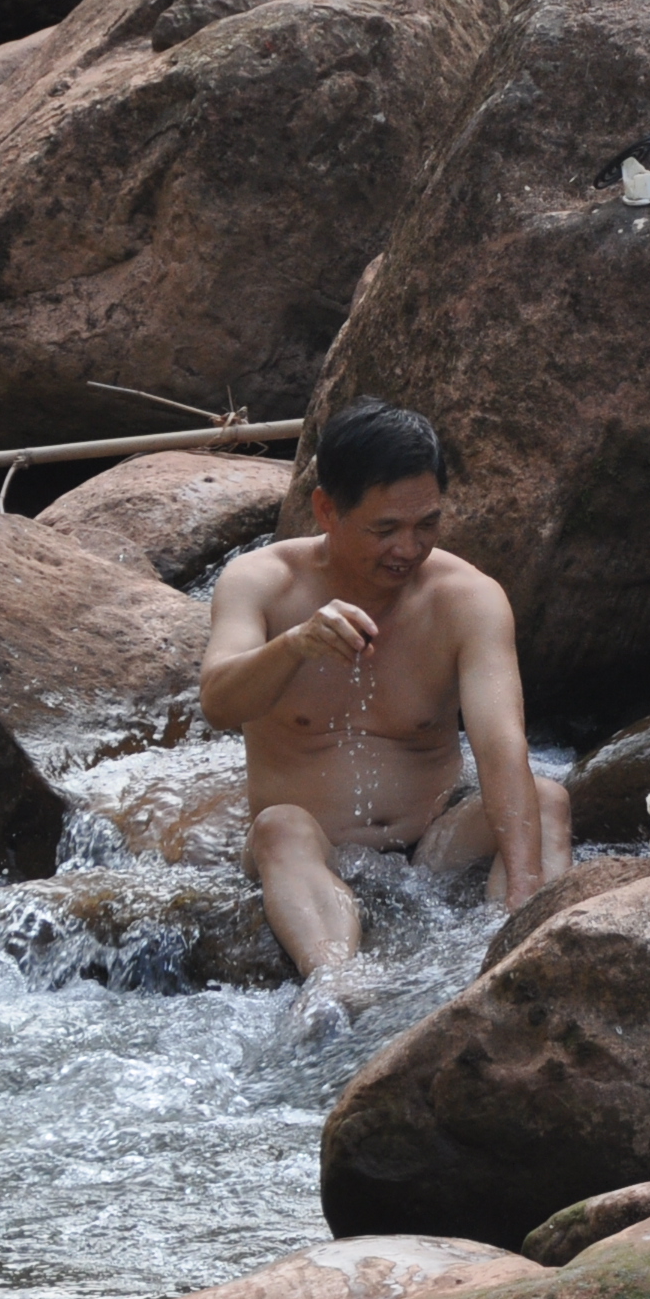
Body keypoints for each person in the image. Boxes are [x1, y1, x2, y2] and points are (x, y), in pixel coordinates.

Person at [201, 400, 571, 1005]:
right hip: (312, 848)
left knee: (547, 797)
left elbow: (502, 745)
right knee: (278, 827)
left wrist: (523, 889)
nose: (408, 547)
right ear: (327, 509)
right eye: (385, 529)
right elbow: (218, 703)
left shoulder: (466, 598)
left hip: (432, 849)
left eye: (427, 524)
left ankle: (522, 948)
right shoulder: (262, 582)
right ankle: (337, 984)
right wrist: (294, 646)